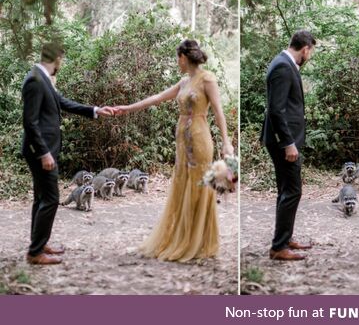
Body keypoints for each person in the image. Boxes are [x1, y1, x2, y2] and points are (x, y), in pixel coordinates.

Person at [113, 39, 234, 262]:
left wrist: (227, 142)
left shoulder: (207, 79)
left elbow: (218, 112)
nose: (177, 62)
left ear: (183, 57)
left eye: (177, 58)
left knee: (198, 187)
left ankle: (198, 242)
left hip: (199, 139)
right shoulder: (183, 82)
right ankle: (182, 238)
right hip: (181, 141)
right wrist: (126, 109)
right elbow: (157, 98)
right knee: (182, 186)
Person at [22, 42, 114, 265]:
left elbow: (62, 102)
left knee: (41, 198)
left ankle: (39, 244)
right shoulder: (35, 80)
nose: (61, 64)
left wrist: (94, 110)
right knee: (52, 199)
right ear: (57, 58)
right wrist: (44, 153)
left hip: (44, 149)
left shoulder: (42, 77)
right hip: (40, 151)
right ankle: (35, 253)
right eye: (61, 59)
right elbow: (30, 121)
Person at [260, 30, 316, 261]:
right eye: (310, 52)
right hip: (284, 142)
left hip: (285, 140)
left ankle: (285, 238)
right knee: (293, 190)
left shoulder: (285, 63)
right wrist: (288, 144)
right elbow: (276, 110)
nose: (309, 57)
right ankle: (279, 247)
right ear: (305, 49)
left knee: (286, 190)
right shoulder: (283, 66)